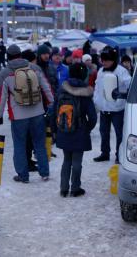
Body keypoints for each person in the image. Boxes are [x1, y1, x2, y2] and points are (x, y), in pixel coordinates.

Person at [0, 44, 54, 183]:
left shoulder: (5, 72)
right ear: (20, 54)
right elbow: (47, 88)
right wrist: (52, 104)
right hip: (38, 112)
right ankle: (44, 173)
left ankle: (23, 175)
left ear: (7, 56)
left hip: (18, 116)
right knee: (39, 143)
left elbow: (1, 97)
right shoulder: (34, 68)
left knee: (20, 144)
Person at [56, 62, 97, 197]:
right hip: (79, 131)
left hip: (63, 130)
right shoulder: (85, 93)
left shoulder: (62, 90)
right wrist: (87, 128)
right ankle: (75, 189)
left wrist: (57, 129)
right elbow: (92, 117)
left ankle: (63, 189)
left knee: (66, 160)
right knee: (77, 162)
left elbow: (53, 111)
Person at [93, 46, 131, 163]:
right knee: (104, 132)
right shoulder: (100, 71)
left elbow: (129, 84)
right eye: (102, 60)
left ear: (113, 60)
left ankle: (119, 155)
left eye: (106, 60)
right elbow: (97, 87)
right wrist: (96, 99)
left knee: (119, 133)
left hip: (117, 109)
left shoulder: (121, 71)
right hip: (104, 108)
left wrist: (122, 96)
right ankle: (105, 153)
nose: (103, 62)